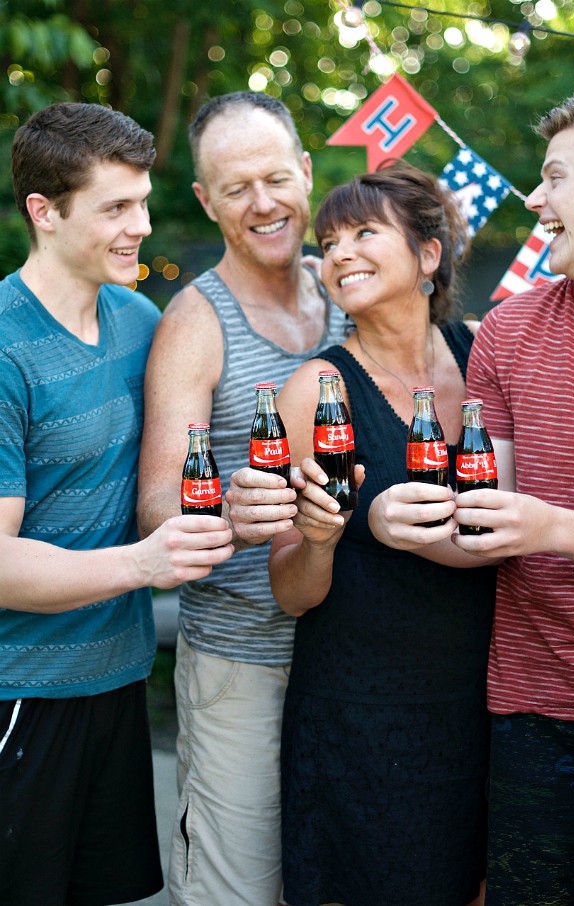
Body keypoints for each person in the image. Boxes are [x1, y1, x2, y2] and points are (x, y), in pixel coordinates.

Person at [0, 102, 234, 906]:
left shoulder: (140, 319)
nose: (139, 225)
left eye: (141, 200)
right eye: (114, 207)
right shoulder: (2, 346)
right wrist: (143, 563)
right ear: (45, 211)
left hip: (117, 681)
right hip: (20, 691)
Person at [137, 91, 348, 906]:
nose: (262, 203)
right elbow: (156, 501)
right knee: (239, 890)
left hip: (356, 653)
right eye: (235, 187)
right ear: (204, 201)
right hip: (241, 661)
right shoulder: (196, 319)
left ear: (304, 171)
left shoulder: (349, 285)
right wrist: (219, 512)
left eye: (273, 177)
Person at [268, 160, 497, 906]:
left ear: (429, 256)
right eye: (330, 241)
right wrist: (330, 535)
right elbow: (291, 593)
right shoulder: (314, 390)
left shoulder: (487, 359)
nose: (339, 253)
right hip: (359, 712)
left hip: (483, 699)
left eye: (365, 232)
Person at [450, 93, 574, 904]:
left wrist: (551, 526)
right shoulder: (505, 333)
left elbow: (535, 522)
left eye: (553, 178)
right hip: (528, 702)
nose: (534, 200)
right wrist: (401, 519)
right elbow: (488, 509)